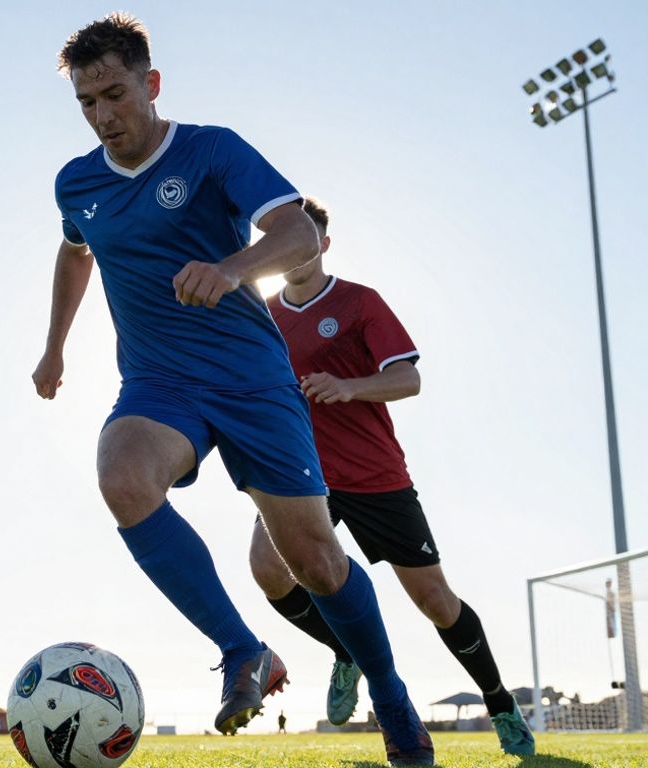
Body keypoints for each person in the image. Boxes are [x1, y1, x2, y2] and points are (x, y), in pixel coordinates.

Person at [33, 14, 432, 764]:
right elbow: (75, 251)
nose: (103, 115)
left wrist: (231, 269)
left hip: (253, 379)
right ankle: (243, 649)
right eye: (87, 102)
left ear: (151, 84)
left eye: (115, 95)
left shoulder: (213, 150)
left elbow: (297, 233)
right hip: (159, 381)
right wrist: (54, 345)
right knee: (123, 477)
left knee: (314, 562)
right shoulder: (76, 182)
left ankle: (388, 691)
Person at [249, 198, 535, 756]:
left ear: (323, 245)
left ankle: (499, 701)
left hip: (375, 475)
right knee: (269, 569)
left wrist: (348, 387)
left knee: (435, 601)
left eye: (306, 238)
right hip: (302, 475)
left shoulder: (360, 302)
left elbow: (408, 379)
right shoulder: (263, 316)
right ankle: (348, 652)